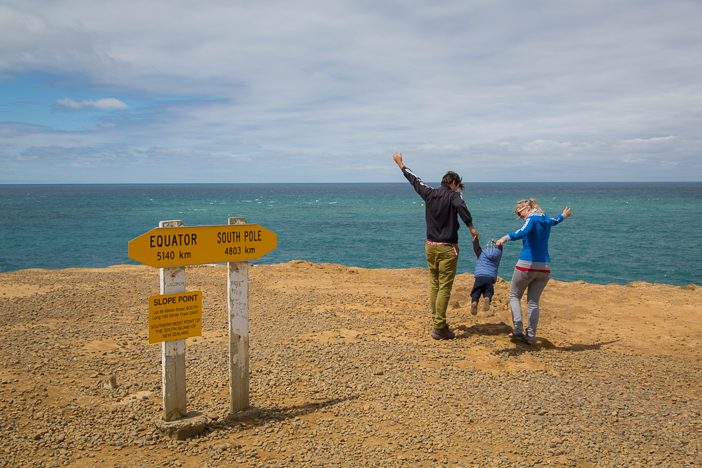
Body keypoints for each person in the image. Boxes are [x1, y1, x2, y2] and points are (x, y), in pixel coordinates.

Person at [393, 152, 479, 340]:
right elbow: (462, 207)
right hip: (448, 248)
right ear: (454, 183)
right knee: (444, 287)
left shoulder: (430, 194)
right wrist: (471, 227)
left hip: (430, 246)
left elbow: (415, 180)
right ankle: (439, 327)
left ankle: (437, 321)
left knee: (434, 284)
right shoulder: (454, 196)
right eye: (458, 186)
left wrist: (401, 164)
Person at [496, 199, 572, 345]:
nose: (519, 216)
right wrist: (564, 215)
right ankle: (530, 337)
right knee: (533, 302)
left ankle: (518, 329)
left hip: (527, 265)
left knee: (514, 295)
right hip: (544, 267)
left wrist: (503, 239)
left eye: (519, 213)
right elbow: (556, 220)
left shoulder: (531, 219)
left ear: (527, 208)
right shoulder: (545, 218)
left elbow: (522, 232)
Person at [470, 236, 503, 316]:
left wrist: (475, 240)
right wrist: (500, 245)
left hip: (479, 277)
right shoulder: (498, 255)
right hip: (489, 279)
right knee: (488, 291)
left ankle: (474, 302)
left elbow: (476, 248)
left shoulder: (481, 253)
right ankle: (487, 298)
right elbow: (500, 249)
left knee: (476, 291)